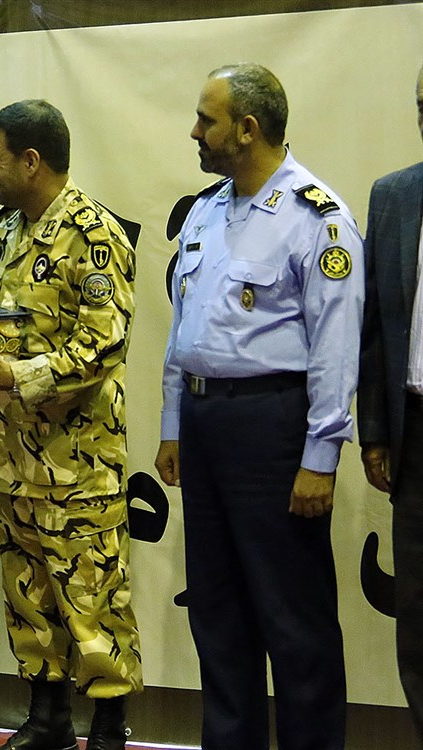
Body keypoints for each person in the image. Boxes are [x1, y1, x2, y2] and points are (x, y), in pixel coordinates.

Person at [154, 64, 362, 750]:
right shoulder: (206, 210)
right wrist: (173, 423)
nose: (195, 132)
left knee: (293, 621)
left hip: (273, 427)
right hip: (206, 424)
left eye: (206, 120)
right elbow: (185, 329)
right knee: (218, 616)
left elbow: (336, 348)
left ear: (246, 129)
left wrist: (320, 457)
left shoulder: (316, 218)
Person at [0, 100, 141, 750]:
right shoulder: (7, 231)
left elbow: (102, 346)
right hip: (14, 456)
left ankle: (108, 727)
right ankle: (48, 718)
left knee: (93, 595)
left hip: (78, 461)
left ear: (31, 161)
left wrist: (16, 376)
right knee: (29, 592)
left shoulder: (93, 234)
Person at [358, 63, 423, 743]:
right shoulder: (394, 196)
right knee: (419, 619)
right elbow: (374, 325)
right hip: (416, 434)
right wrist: (374, 430)